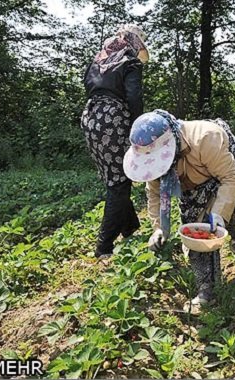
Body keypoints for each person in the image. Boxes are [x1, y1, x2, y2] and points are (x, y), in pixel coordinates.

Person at [123, 110, 235, 311]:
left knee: (231, 208)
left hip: (226, 170)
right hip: (191, 181)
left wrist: (218, 215)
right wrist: (158, 228)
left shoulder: (206, 138)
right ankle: (206, 289)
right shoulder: (154, 163)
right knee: (195, 234)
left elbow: (231, 178)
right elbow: (155, 195)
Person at [81, 24, 149, 258]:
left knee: (115, 177)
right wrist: (138, 130)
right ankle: (104, 247)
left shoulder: (98, 60)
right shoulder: (130, 61)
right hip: (113, 120)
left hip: (91, 118)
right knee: (120, 183)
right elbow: (134, 97)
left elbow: (89, 88)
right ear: (135, 42)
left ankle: (129, 227)